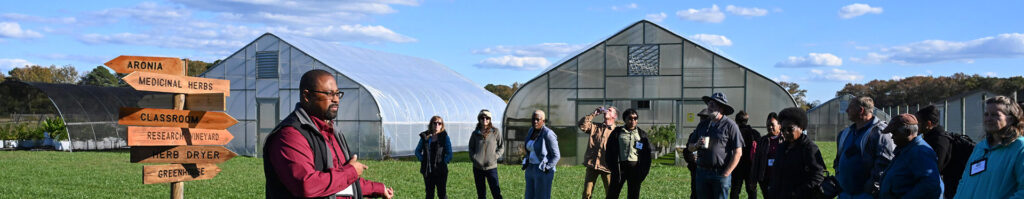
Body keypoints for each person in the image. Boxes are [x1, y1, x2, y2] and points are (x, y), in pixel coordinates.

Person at [264, 69, 394, 199]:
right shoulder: (290, 135)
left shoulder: (332, 131)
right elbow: (306, 185)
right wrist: (351, 171)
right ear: (307, 96)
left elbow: (340, 180)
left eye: (337, 94)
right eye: (329, 94)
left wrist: (378, 188)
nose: (336, 99)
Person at [953, 96, 1024, 199]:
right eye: (986, 114)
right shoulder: (980, 148)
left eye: (995, 115)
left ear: (1011, 119)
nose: (989, 119)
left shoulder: (1019, 148)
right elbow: (964, 182)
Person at [687, 92, 744, 199]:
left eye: (714, 104)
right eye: (709, 103)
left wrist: (727, 173)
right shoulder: (703, 124)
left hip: (720, 174)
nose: (709, 106)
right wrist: (696, 144)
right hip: (702, 172)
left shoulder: (730, 126)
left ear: (721, 108)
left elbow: (738, 152)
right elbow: (690, 147)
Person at [835, 96, 894, 199]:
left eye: (850, 107)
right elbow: (838, 159)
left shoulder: (881, 132)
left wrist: (872, 185)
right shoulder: (845, 133)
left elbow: (885, 163)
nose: (847, 110)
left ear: (861, 110)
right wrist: (839, 176)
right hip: (845, 192)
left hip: (866, 194)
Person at [877, 114, 942, 199]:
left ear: (907, 132)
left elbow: (929, 185)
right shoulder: (905, 150)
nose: (892, 137)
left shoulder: (920, 152)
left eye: (895, 133)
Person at [766, 107, 825, 199]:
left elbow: (818, 176)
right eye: (783, 129)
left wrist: (797, 193)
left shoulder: (809, 148)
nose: (786, 132)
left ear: (801, 128)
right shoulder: (782, 147)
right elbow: (776, 172)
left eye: (790, 129)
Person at [604, 109, 652, 199]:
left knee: (633, 195)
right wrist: (612, 167)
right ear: (625, 119)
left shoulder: (642, 134)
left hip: (635, 169)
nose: (633, 121)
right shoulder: (617, 133)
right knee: (613, 193)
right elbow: (609, 151)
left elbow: (647, 155)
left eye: (635, 118)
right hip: (619, 169)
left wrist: (643, 171)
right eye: (630, 118)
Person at [914, 105, 957, 198]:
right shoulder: (929, 138)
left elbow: (935, 169)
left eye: (918, 123)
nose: (915, 126)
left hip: (948, 189)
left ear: (928, 124)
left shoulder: (939, 142)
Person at [578, 106, 617, 199]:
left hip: (607, 167)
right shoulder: (595, 127)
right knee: (587, 194)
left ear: (614, 116)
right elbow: (582, 125)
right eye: (607, 109)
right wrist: (594, 114)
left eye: (610, 110)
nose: (607, 110)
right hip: (592, 165)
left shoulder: (617, 132)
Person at [523, 110, 560, 199]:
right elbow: (530, 149)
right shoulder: (531, 130)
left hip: (542, 170)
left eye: (537, 119)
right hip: (530, 168)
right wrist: (526, 160)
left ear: (543, 121)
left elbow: (556, 155)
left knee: (541, 196)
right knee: (529, 196)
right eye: (533, 119)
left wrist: (547, 167)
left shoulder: (548, 134)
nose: (535, 122)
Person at [469, 109, 504, 199]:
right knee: (481, 194)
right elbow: (471, 148)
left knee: (496, 192)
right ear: (479, 119)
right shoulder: (475, 134)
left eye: (487, 118)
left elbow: (501, 147)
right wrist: (475, 158)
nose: (485, 120)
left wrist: (495, 157)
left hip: (491, 167)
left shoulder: (495, 132)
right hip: (478, 168)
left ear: (490, 119)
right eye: (482, 118)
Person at [416, 116, 453, 199]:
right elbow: (417, 151)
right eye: (435, 123)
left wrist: (444, 162)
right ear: (431, 124)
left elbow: (449, 153)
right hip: (428, 170)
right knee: (429, 194)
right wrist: (423, 159)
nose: (437, 125)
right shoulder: (425, 137)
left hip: (441, 170)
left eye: (439, 123)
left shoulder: (445, 137)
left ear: (442, 125)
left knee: (442, 194)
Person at [751, 112, 783, 199]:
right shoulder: (762, 141)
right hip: (765, 179)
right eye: (768, 125)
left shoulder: (785, 140)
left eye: (772, 124)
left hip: (780, 179)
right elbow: (756, 160)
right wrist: (753, 180)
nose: (770, 127)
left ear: (779, 125)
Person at [685, 108, 714, 199]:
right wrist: (691, 159)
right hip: (696, 169)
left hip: (711, 170)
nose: (702, 120)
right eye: (701, 118)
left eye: (705, 118)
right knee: (695, 193)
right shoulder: (694, 134)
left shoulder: (715, 135)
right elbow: (687, 150)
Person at [731, 111, 760, 199]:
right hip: (751, 166)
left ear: (736, 120)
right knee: (751, 190)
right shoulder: (754, 133)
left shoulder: (734, 133)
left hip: (737, 165)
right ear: (747, 120)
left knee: (735, 190)